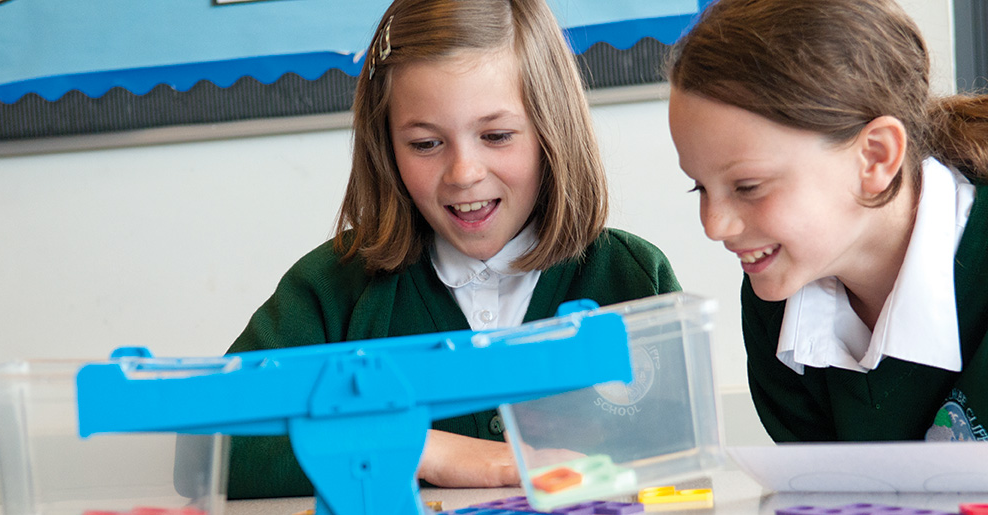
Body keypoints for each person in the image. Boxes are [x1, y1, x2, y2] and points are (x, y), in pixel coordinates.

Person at [225, 0, 680, 499]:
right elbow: (225, 448)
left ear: (553, 130)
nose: (464, 173)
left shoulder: (633, 277)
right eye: (424, 144)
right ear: (386, 146)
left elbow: (680, 451)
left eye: (497, 135)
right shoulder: (334, 288)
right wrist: (423, 449)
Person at [667, 0, 988, 443]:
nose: (714, 226)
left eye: (748, 186)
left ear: (875, 157)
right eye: (699, 187)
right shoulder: (775, 305)